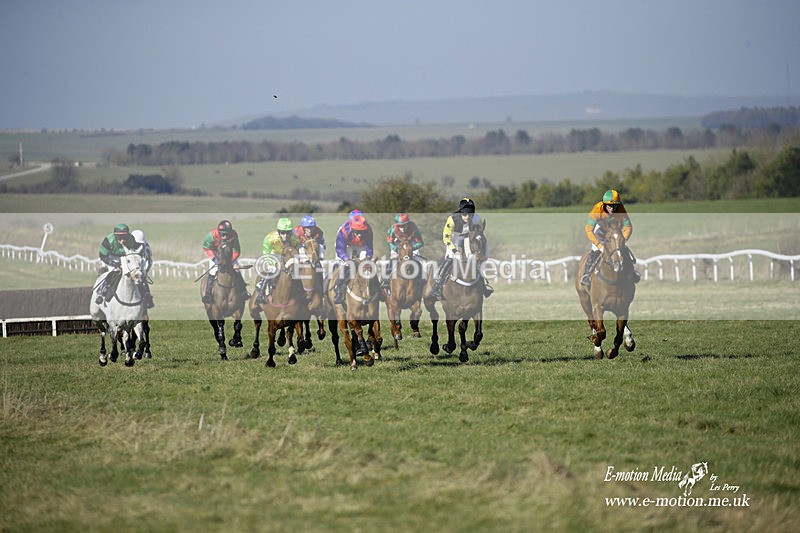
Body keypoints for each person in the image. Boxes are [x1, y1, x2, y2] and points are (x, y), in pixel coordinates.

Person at [428, 198, 493, 300]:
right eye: (465, 215)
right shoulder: (452, 219)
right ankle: (437, 285)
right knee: (450, 259)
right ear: (460, 212)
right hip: (454, 240)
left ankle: (483, 286)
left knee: (477, 260)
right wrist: (454, 250)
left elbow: (479, 234)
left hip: (468, 239)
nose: (468, 217)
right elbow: (446, 237)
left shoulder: (477, 219)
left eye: (470, 215)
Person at [581, 189, 638, 287]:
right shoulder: (597, 210)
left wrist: (621, 241)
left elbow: (628, 227)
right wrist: (599, 245)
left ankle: (632, 271)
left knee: (621, 249)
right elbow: (589, 230)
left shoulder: (621, 209)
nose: (612, 209)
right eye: (609, 206)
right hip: (600, 231)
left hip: (615, 231)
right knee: (595, 250)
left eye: (614, 206)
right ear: (604, 204)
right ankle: (587, 274)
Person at [96, 224, 146, 305]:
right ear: (115, 236)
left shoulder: (131, 239)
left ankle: (145, 293)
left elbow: (132, 253)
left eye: (124, 238)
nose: (122, 241)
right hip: (110, 256)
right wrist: (114, 264)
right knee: (113, 271)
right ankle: (102, 292)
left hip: (125, 256)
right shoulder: (108, 241)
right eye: (120, 238)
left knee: (136, 271)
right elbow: (103, 256)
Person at [254, 217, 301, 304]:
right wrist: (274, 263)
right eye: (282, 233)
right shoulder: (270, 238)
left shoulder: (295, 240)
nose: (285, 236)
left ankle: (301, 293)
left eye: (287, 233)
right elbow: (266, 254)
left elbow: (297, 254)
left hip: (287, 257)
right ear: (278, 232)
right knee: (272, 269)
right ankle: (261, 291)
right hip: (273, 256)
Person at [201, 219, 250, 304]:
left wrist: (229, 261)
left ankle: (244, 291)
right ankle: (208, 294)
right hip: (216, 254)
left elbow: (236, 251)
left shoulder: (234, 235)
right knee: (213, 271)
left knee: (237, 270)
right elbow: (206, 248)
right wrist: (214, 259)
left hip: (228, 256)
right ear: (218, 232)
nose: (224, 236)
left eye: (227, 234)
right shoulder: (211, 235)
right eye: (222, 234)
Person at [332, 212, 374, 304]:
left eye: (362, 232)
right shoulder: (343, 230)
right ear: (352, 228)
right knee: (346, 265)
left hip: (361, 246)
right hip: (347, 246)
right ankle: (338, 289)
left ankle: (377, 289)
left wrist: (368, 257)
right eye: (358, 232)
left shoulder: (368, 230)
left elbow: (369, 247)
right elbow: (340, 249)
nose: (360, 235)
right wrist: (347, 259)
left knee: (368, 265)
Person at [381, 213, 424, 291]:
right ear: (397, 225)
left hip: (411, 244)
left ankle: (421, 281)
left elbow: (420, 242)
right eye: (400, 226)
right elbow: (389, 242)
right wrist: (396, 249)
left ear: (408, 224)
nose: (402, 228)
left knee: (417, 261)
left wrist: (411, 248)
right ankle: (386, 281)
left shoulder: (414, 228)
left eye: (404, 225)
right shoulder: (393, 229)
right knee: (393, 260)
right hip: (398, 244)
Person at [130, 229, 155, 309]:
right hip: (129, 267)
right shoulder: (127, 244)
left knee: (143, 281)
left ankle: (148, 300)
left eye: (139, 243)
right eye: (137, 243)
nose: (138, 245)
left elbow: (149, 261)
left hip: (141, 267)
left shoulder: (146, 247)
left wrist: (145, 272)